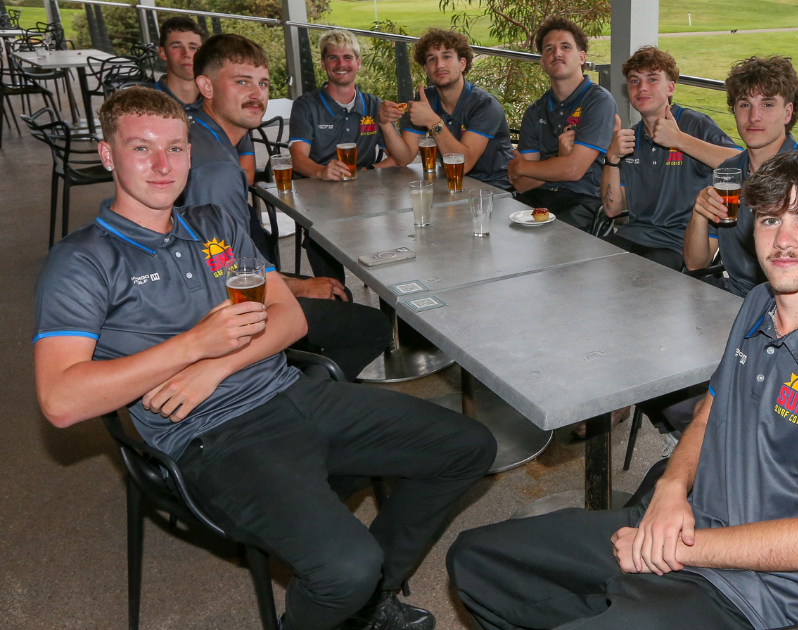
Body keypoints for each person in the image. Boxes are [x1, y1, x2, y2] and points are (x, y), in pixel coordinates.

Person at [32, 87, 496, 630]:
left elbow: (291, 319)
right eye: (141, 148)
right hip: (212, 436)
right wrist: (194, 344)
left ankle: (367, 602)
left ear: (189, 152)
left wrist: (214, 365)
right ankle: (343, 596)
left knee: (469, 446)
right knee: (345, 567)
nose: (162, 166)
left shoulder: (213, 224)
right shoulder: (82, 261)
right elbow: (61, 400)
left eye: (175, 149)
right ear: (108, 155)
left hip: (292, 392)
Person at [447, 148, 798, 630]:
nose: (784, 240)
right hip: (685, 522)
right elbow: (710, 411)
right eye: (770, 220)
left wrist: (677, 547)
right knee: (476, 559)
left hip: (757, 596)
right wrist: (669, 489)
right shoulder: (758, 304)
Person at [183, 34, 393, 380]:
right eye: (242, 82)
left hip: (204, 282)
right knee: (372, 325)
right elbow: (226, 272)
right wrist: (301, 288)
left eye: (263, 83)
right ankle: (298, 390)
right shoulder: (216, 171)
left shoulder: (200, 131)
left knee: (333, 289)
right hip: (215, 306)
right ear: (206, 86)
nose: (257, 94)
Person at [599, 46, 740, 270]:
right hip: (631, 236)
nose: (642, 87)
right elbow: (612, 209)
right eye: (634, 81)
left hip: (677, 247)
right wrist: (612, 158)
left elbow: (742, 163)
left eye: (652, 79)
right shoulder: (630, 138)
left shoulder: (695, 125)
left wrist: (680, 140)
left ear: (670, 88)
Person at [288, 29, 409, 281]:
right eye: (333, 58)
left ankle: (389, 294)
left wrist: (372, 169)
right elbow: (297, 158)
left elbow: (401, 159)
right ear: (323, 64)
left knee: (395, 232)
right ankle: (336, 293)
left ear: (358, 63)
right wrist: (321, 171)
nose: (340, 64)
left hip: (367, 196)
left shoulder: (374, 105)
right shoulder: (306, 105)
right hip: (319, 197)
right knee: (320, 240)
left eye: (347, 57)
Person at [683, 56, 798, 297]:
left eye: (767, 104)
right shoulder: (728, 174)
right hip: (731, 297)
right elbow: (696, 264)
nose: (753, 117)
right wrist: (699, 213)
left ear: (787, 113)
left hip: (787, 303)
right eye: (744, 104)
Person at [508, 17, 618, 230]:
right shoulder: (535, 111)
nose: (557, 53)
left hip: (580, 201)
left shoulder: (598, 101)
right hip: (535, 199)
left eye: (565, 47)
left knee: (554, 240)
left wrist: (522, 166)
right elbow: (521, 184)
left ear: (581, 57)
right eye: (549, 49)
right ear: (542, 62)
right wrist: (559, 158)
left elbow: (574, 170)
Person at [394, 28, 514, 191]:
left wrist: (433, 122)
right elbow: (404, 157)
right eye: (432, 59)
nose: (439, 65)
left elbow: (463, 166)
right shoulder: (426, 99)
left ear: (462, 64)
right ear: (426, 69)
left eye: (447, 56)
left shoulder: (485, 105)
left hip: (494, 191)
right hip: (450, 186)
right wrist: (386, 123)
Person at [155, 16, 256, 183]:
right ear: (162, 52)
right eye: (176, 46)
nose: (187, 54)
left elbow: (248, 169)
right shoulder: (147, 103)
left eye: (193, 47)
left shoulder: (222, 102)